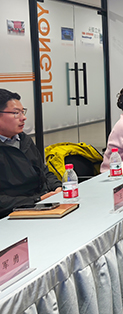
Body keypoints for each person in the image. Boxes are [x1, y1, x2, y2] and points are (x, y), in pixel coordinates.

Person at [0, 89, 62, 218]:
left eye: (23, 112)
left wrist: (57, 187)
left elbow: (43, 171)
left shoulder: (24, 140)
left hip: (40, 205)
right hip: (12, 215)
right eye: (16, 113)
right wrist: (36, 200)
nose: (23, 118)